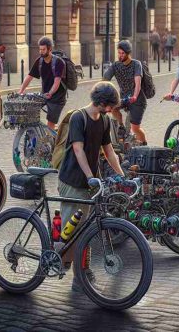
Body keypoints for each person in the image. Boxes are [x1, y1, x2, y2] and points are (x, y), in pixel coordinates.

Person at [57, 81, 125, 291]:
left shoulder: (104, 120)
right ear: (102, 102)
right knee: (73, 229)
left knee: (84, 228)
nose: (112, 110)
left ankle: (80, 273)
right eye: (111, 106)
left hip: (89, 181)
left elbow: (108, 150)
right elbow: (78, 150)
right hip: (72, 180)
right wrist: (90, 176)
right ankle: (71, 269)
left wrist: (121, 176)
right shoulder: (79, 118)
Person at [104, 40, 147, 144]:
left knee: (135, 128)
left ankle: (144, 143)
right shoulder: (116, 65)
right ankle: (121, 126)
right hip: (124, 98)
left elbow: (138, 83)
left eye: (123, 53)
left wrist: (135, 96)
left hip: (137, 100)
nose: (120, 55)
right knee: (113, 107)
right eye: (119, 53)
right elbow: (105, 80)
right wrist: (101, 94)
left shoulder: (136, 64)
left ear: (128, 53)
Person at [19, 36, 67, 130]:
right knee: (31, 110)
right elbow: (29, 77)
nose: (41, 52)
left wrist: (51, 93)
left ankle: (51, 140)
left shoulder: (59, 62)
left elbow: (57, 82)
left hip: (57, 97)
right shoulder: (39, 61)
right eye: (40, 49)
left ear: (50, 49)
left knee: (50, 124)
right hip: (44, 94)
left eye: (43, 49)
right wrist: (21, 90)